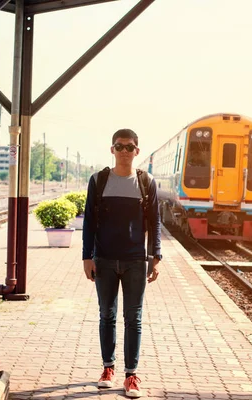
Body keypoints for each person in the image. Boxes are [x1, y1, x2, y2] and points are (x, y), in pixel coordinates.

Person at [82, 128, 162, 398]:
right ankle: (108, 368)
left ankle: (131, 376)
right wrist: (86, 256)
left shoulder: (146, 182)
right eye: (120, 146)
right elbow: (89, 222)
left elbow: (155, 223)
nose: (125, 151)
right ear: (112, 149)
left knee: (133, 319)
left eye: (129, 147)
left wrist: (156, 257)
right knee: (107, 315)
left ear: (137, 151)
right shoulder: (99, 180)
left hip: (135, 262)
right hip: (103, 260)